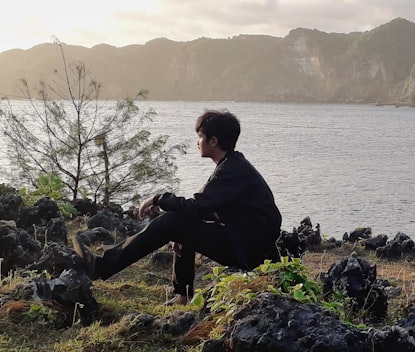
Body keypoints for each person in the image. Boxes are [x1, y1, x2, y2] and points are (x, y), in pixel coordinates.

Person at [72, 109, 282, 305]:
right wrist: (183, 230)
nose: (198, 142)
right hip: (244, 242)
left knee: (174, 220)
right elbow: (206, 208)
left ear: (214, 141)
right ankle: (183, 293)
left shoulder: (232, 170)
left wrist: (158, 199)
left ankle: (101, 267)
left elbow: (198, 206)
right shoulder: (232, 165)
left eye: (200, 137)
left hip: (249, 251)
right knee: (180, 221)